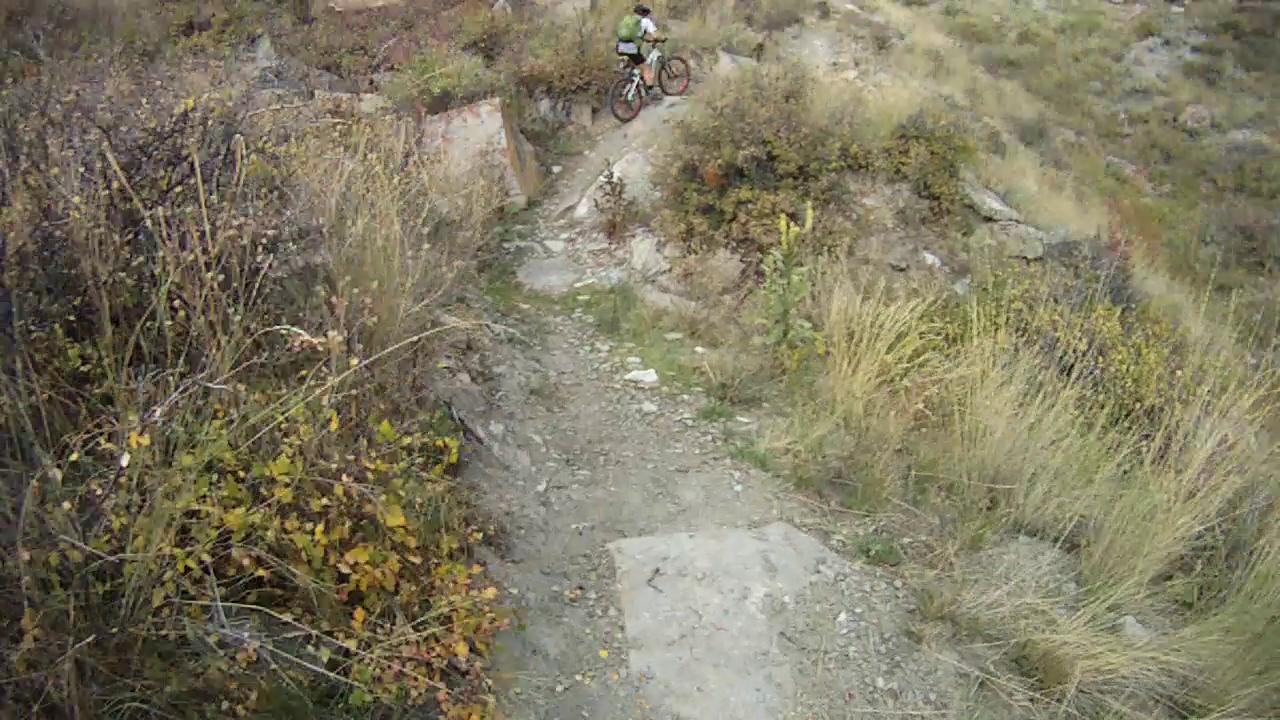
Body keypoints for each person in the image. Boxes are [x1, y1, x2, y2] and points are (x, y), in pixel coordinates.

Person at [616, 4, 665, 98]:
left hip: (620, 47)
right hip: (632, 49)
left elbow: (634, 34)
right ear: (646, 13)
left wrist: (645, 38)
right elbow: (654, 35)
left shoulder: (628, 19)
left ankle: (628, 82)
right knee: (647, 68)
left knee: (636, 67)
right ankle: (651, 93)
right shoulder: (646, 21)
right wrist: (662, 38)